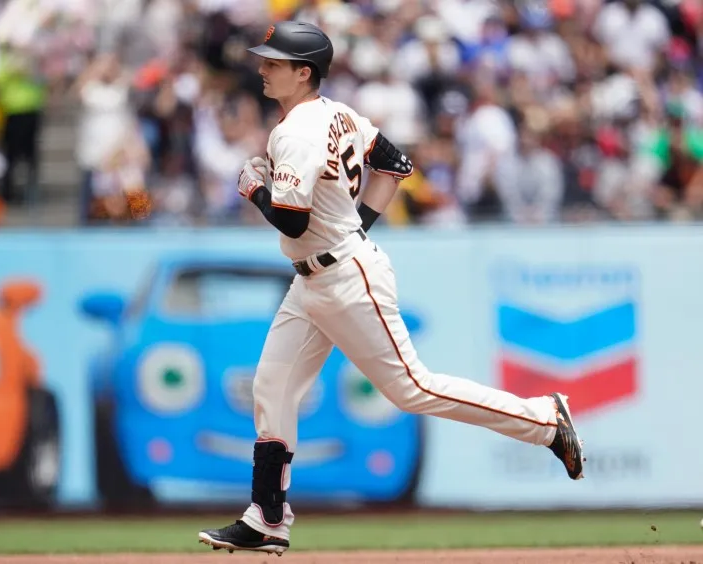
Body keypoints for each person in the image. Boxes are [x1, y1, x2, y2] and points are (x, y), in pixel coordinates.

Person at [197, 21, 585, 556]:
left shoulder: (298, 130)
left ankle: (545, 419)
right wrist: (356, 227)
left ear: (302, 72)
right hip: (317, 276)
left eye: (274, 63)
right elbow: (396, 163)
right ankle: (266, 516)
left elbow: (289, 220)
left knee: (412, 388)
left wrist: (255, 188)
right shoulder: (340, 114)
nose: (262, 69)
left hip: (342, 276)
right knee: (272, 386)